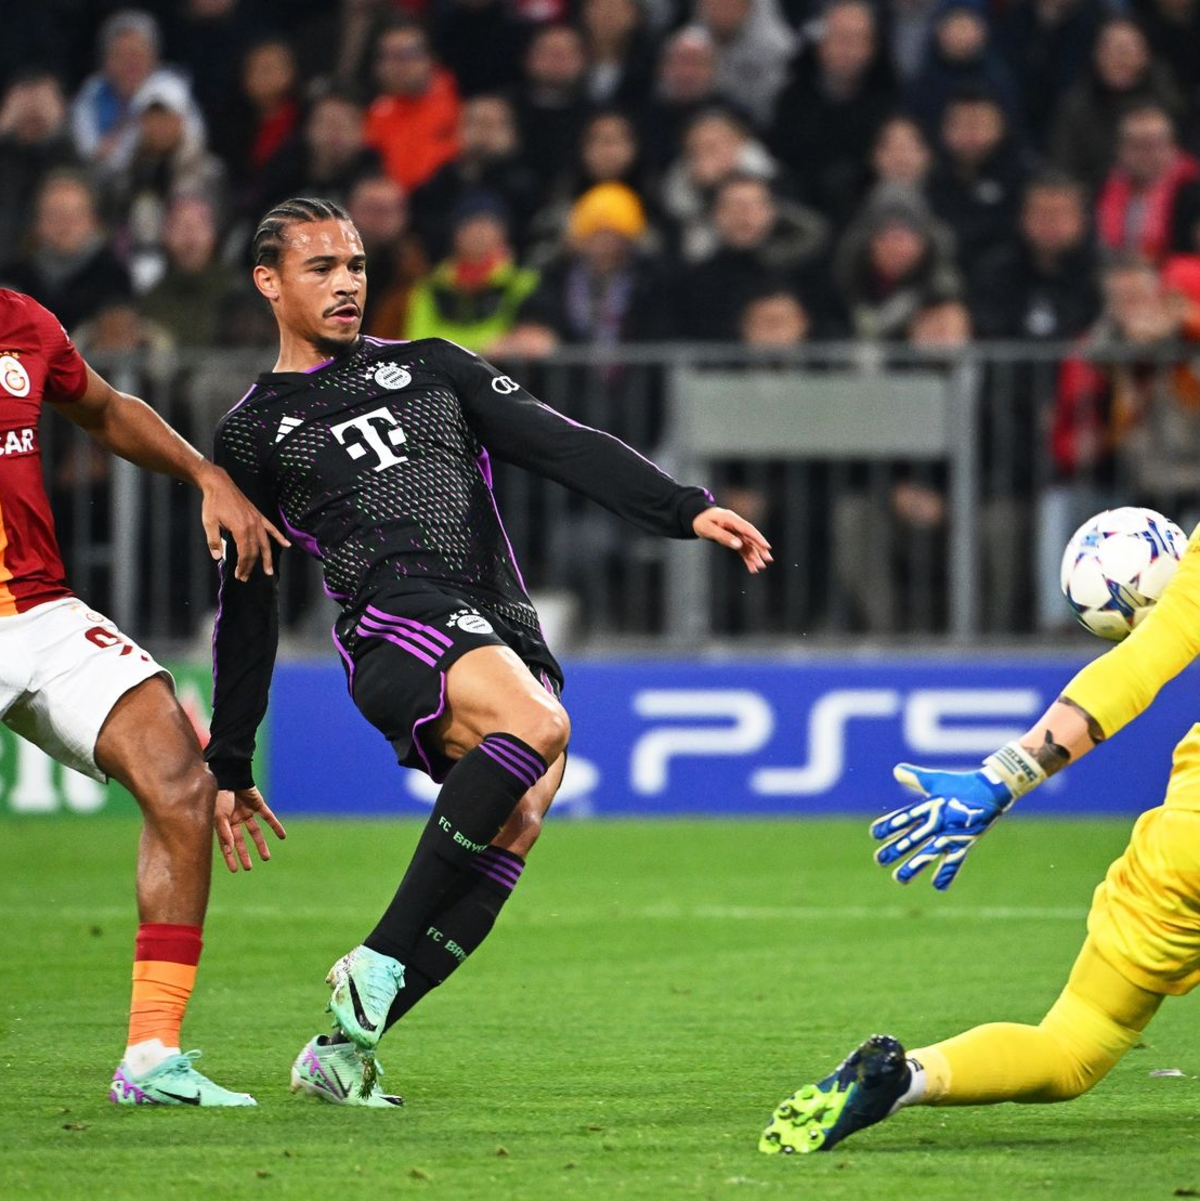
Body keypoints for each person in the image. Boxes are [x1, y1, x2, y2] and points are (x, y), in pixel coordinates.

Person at [204, 196, 770, 1106]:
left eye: (356, 265)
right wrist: (230, 756)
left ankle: (342, 1051)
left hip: (498, 619)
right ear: (269, 283)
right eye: (322, 268)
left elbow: (561, 443)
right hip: (395, 620)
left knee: (521, 815)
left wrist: (682, 508)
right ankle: (377, 957)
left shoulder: (434, 365)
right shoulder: (249, 433)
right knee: (538, 725)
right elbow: (248, 600)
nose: (347, 283)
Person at [760, 505, 1200, 1152]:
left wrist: (1002, 778)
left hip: (1185, 840)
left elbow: (1140, 663)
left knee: (1073, 1044)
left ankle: (907, 1077)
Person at [0, 286, 285, 1106]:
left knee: (184, 784)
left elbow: (104, 408)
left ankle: (152, 1055)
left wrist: (205, 472)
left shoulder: (25, 322)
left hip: (40, 608)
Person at [363, 21, 461, 194]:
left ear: (430, 59)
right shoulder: (374, 114)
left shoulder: (457, 107)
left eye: (407, 55)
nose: (397, 65)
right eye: (388, 56)